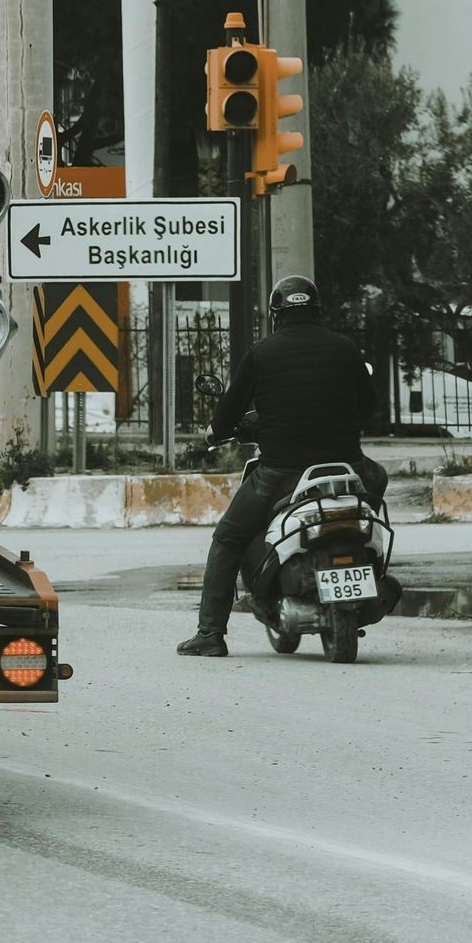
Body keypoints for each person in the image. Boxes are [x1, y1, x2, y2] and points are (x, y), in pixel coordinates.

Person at [178, 274, 387, 657]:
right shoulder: (345, 349)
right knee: (378, 483)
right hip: (348, 466)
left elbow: (229, 413)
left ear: (276, 315)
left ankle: (210, 633)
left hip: (281, 471)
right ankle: (371, 561)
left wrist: (214, 433)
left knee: (228, 538)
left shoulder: (262, 354)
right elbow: (368, 406)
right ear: (317, 311)